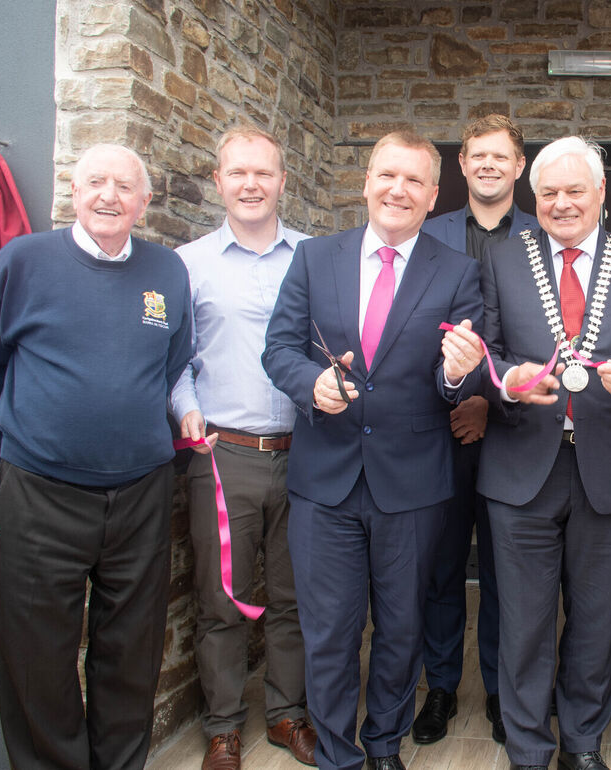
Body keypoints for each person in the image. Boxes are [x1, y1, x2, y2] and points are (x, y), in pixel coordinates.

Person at [444, 135, 611, 770]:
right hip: (520, 465)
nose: (561, 203)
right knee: (522, 623)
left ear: (602, 193)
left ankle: (581, 744)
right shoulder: (499, 257)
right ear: (534, 196)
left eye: (576, 190)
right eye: (548, 192)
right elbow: (484, 354)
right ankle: (526, 749)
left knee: (594, 618)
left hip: (606, 466)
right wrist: (505, 380)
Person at [0, 143, 193, 770]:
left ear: (145, 201)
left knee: (132, 654)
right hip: (39, 494)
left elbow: (170, 370)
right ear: (74, 189)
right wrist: (18, 457)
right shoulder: (23, 262)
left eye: (124, 186)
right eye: (96, 182)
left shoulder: (168, 272)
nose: (109, 197)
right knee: (35, 659)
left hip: (141, 493)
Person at [261, 130, 483, 770]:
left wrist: (458, 372)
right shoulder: (314, 259)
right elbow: (279, 349)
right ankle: (337, 754)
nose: (398, 190)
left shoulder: (459, 271)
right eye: (388, 175)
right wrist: (312, 384)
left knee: (401, 627)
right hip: (323, 478)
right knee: (328, 631)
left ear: (434, 196)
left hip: (412, 482)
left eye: (415, 181)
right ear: (365, 182)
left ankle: (383, 744)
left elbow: (460, 380)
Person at [168, 125, 315, 770]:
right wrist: (187, 409)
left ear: (284, 181)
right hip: (223, 455)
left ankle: (287, 715)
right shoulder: (187, 264)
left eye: (264, 173)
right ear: (219, 180)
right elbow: (173, 360)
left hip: (310, 454)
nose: (251, 185)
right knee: (220, 600)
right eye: (238, 173)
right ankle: (224, 726)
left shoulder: (314, 258)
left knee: (295, 596)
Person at [416, 114, 537, 746]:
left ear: (520, 167)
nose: (488, 165)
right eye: (476, 156)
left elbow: (548, 341)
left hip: (515, 435)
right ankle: (439, 686)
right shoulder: (427, 234)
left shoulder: (546, 237)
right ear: (461, 166)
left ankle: (500, 689)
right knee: (439, 568)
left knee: (505, 572)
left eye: (501, 156)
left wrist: (490, 403)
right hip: (434, 436)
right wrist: (454, 399)